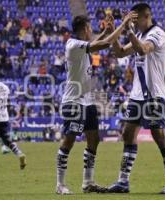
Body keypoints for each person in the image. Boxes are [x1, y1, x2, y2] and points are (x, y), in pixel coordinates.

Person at [55, 13, 137, 194]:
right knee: (69, 140)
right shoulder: (72, 45)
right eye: (90, 27)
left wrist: (106, 31)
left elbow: (95, 45)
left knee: (94, 139)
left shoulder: (80, 46)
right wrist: (122, 25)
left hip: (87, 101)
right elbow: (105, 44)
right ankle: (60, 184)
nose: (91, 30)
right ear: (85, 29)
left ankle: (88, 182)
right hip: (74, 101)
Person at [107, 3, 165, 194]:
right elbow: (120, 52)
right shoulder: (139, 34)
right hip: (137, 95)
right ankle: (123, 182)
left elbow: (143, 50)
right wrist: (113, 32)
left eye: (134, 19)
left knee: (158, 135)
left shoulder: (157, 33)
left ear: (144, 17)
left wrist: (129, 30)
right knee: (128, 133)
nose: (132, 23)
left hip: (154, 95)